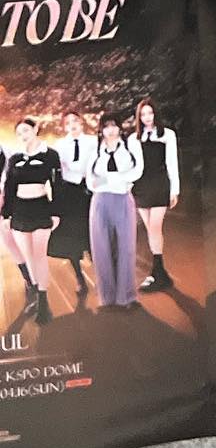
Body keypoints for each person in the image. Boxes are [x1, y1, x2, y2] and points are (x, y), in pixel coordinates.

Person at [2, 118, 60, 323]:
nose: (23, 136)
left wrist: (56, 212)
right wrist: (6, 215)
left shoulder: (50, 155)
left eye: (26, 130)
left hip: (41, 208)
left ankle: (44, 303)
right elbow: (9, 187)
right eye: (19, 133)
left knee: (39, 255)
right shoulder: (15, 158)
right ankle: (36, 294)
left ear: (35, 129)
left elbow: (57, 184)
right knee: (29, 257)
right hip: (19, 211)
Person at [87, 113, 142, 308]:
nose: (110, 130)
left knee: (126, 247)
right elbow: (91, 181)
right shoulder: (96, 150)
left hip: (123, 199)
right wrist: (119, 178)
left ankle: (126, 296)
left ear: (120, 128)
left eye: (114, 126)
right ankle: (107, 297)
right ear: (101, 130)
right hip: (100, 202)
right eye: (106, 126)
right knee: (102, 249)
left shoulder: (130, 146)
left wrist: (108, 179)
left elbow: (137, 171)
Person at [134, 98, 180, 293]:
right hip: (141, 186)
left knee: (155, 227)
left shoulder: (167, 135)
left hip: (160, 184)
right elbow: (132, 165)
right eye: (143, 114)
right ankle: (160, 273)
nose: (147, 117)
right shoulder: (134, 138)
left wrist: (175, 190)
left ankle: (157, 272)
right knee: (151, 230)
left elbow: (172, 163)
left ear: (156, 114)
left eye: (150, 113)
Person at [49, 111, 95, 301]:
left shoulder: (93, 142)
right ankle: (79, 277)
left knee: (93, 233)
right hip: (68, 194)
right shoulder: (59, 145)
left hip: (89, 190)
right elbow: (58, 171)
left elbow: (92, 166)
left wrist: (77, 171)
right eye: (68, 122)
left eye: (75, 120)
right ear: (64, 126)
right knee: (71, 236)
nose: (72, 125)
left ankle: (102, 273)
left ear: (81, 122)